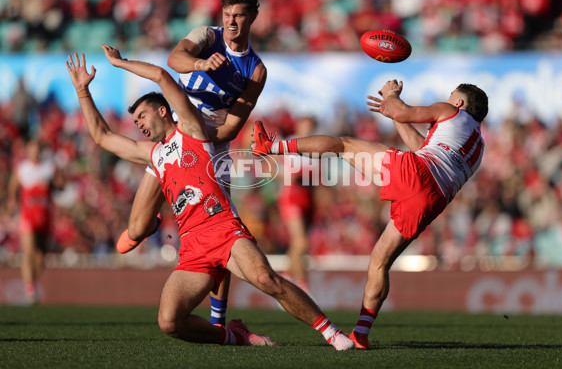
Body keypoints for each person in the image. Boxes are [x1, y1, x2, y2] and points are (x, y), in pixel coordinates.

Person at [65, 45, 355, 350]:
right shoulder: (153, 155)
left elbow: (164, 76)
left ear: (163, 111)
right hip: (191, 245)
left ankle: (331, 332)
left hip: (223, 229)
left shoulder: (191, 129)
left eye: (142, 116)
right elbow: (102, 137)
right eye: (135, 121)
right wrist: (83, 91)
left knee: (267, 280)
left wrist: (121, 64)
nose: (138, 124)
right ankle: (234, 336)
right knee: (169, 322)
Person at [252, 79, 488, 349]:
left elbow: (404, 112)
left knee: (343, 145)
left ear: (459, 102)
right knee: (379, 262)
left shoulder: (450, 111)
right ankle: (361, 334)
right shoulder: (478, 146)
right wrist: (395, 117)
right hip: (431, 201)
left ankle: (269, 147)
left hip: (416, 174)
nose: (448, 98)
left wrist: (392, 96)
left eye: (451, 95)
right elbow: (421, 146)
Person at [118, 0, 266, 327]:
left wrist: (200, 142)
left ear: (252, 18)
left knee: (223, 231)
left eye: (239, 15)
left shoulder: (256, 70)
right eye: (227, 14)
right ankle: (151, 225)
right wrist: (201, 63)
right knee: (136, 229)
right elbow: (174, 60)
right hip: (177, 133)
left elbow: (232, 125)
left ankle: (219, 319)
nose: (230, 21)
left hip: (212, 144)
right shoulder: (207, 36)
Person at [8, 138, 65, 304]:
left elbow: (60, 187)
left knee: (41, 257)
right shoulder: (22, 168)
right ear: (27, 150)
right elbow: (13, 186)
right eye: (33, 149)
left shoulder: (49, 168)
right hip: (27, 215)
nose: (36, 152)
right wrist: (12, 201)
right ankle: (30, 290)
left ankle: (31, 282)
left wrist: (60, 177)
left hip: (45, 216)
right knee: (29, 252)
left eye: (38, 148)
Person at [277, 116, 317, 293]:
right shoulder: (288, 144)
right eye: (305, 124)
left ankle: (287, 277)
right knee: (301, 243)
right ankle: (302, 286)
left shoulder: (316, 146)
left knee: (297, 245)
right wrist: (289, 176)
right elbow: (270, 167)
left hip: (307, 196)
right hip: (292, 195)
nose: (308, 128)